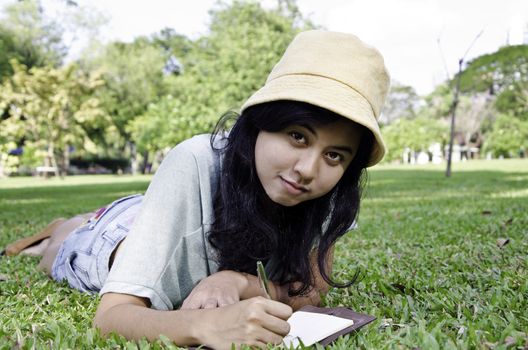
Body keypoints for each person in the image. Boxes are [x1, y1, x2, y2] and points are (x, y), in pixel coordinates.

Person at [4, 30, 390, 349]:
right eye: (297, 136)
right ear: (260, 123)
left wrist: (236, 282)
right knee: (56, 251)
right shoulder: (193, 159)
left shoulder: (331, 194)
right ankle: (67, 226)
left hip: (158, 220)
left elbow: (309, 294)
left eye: (336, 155)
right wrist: (203, 326)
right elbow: (110, 318)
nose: (308, 170)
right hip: (110, 243)